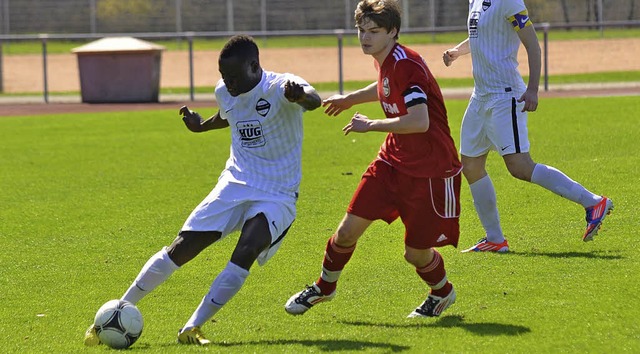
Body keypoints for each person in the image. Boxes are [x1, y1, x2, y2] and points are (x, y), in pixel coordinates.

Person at [84, 34, 321, 346]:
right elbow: (229, 115)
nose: (228, 83)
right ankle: (117, 309)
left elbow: (314, 100)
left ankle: (192, 327)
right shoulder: (225, 91)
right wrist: (201, 127)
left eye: (234, 76)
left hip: (277, 193)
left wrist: (300, 97)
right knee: (182, 247)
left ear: (254, 66)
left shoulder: (282, 87)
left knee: (246, 250)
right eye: (224, 76)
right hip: (235, 183)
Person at [285, 0, 462, 318]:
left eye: (374, 31)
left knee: (416, 254)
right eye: (361, 30)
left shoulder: (407, 64)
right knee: (346, 231)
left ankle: (442, 292)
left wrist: (371, 125)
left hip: (430, 169)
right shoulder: (387, 59)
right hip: (392, 160)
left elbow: (419, 121)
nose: (365, 37)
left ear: (393, 32)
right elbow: (384, 87)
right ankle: (324, 287)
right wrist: (350, 98)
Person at [442, 0, 613, 253]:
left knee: (520, 166)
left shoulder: (509, 1)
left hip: (505, 95)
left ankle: (593, 202)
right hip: (480, 97)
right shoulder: (475, 1)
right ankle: (495, 239)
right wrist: (458, 51)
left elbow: (532, 44)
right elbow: (480, 37)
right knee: (470, 165)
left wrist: (533, 88)